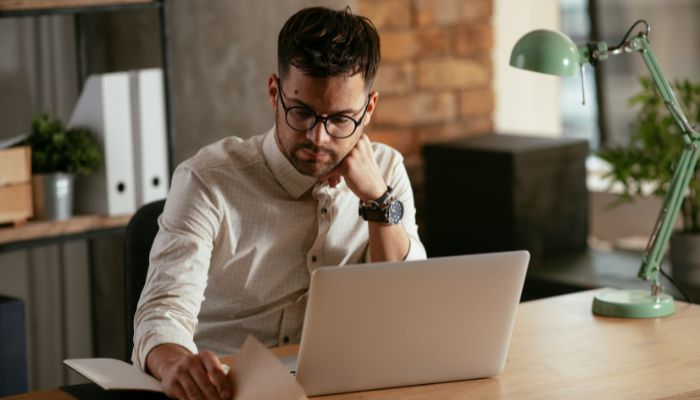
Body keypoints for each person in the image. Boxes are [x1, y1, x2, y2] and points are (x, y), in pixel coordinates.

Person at [132, 6, 426, 400]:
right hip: (220, 390)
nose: (318, 138)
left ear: (369, 109)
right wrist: (175, 365)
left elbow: (408, 314)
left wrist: (378, 201)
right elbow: (162, 311)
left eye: (341, 120)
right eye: (302, 112)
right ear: (275, 92)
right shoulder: (207, 179)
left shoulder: (386, 172)